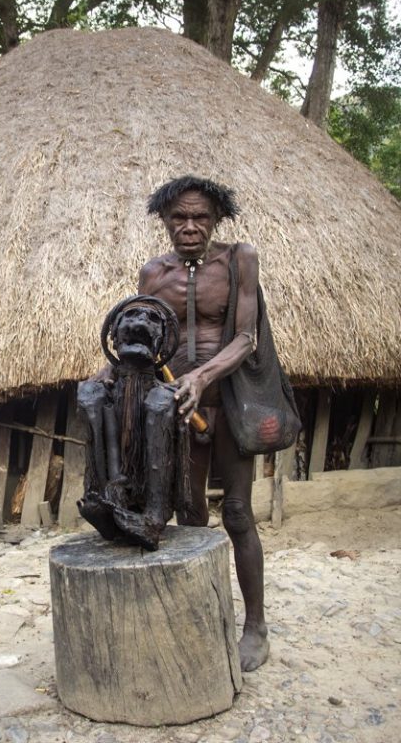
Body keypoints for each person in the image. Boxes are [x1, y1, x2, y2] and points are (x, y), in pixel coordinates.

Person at [99, 175, 269, 672]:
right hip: (177, 411)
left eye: (200, 217)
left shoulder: (240, 259)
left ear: (216, 219)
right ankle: (205, 619)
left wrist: (201, 377)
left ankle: (255, 625)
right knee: (191, 520)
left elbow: (245, 338)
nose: (189, 227)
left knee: (237, 514)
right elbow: (143, 341)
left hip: (228, 401)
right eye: (179, 217)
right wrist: (108, 370)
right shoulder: (152, 275)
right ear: (165, 221)